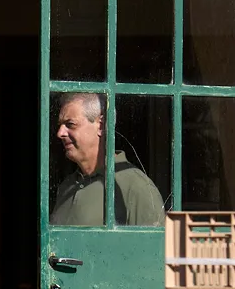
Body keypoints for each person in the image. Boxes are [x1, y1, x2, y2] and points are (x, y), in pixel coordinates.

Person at [50, 91, 166, 225]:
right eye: (60, 125)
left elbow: (152, 245)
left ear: (101, 125)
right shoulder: (67, 186)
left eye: (70, 124)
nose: (60, 133)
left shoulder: (136, 188)